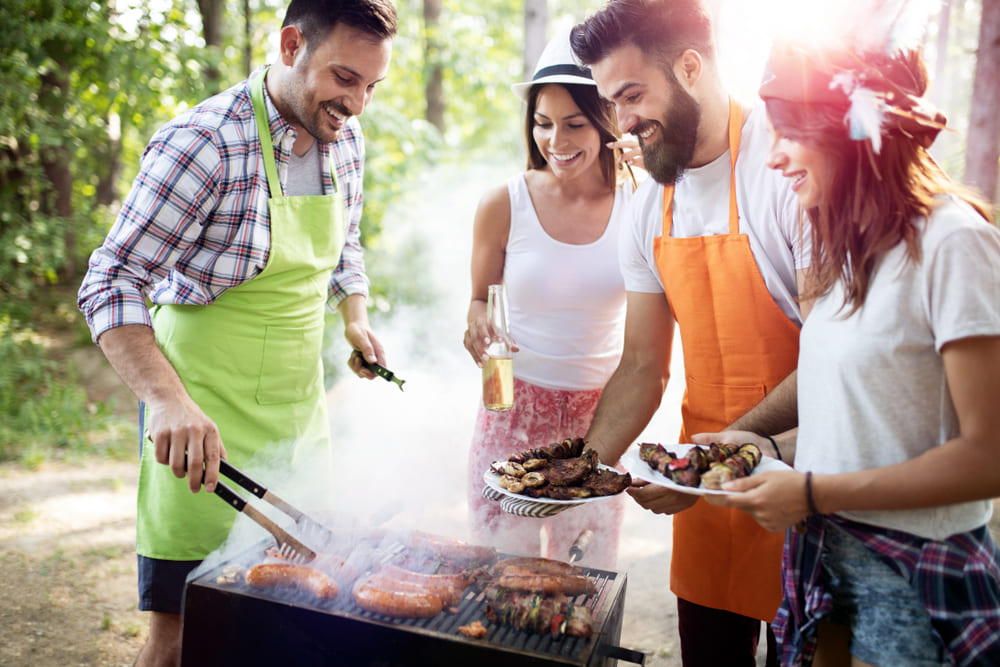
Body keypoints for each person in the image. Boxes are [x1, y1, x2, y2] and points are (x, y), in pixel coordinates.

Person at [76, 1, 397, 664]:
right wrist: (166, 401)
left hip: (298, 422)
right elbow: (111, 279)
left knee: (295, 622)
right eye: (344, 78)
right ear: (289, 45)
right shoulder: (206, 142)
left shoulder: (348, 140)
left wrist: (355, 315)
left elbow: (346, 248)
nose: (358, 103)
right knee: (183, 634)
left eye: (371, 86)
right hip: (200, 427)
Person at [703, 14, 1000, 666]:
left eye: (788, 134)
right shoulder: (843, 254)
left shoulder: (955, 244)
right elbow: (866, 421)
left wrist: (809, 492)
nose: (774, 156)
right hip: (827, 565)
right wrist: (760, 448)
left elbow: (989, 456)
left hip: (913, 576)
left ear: (851, 133)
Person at [569, 0, 812, 664]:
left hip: (807, 475)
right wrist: (580, 471)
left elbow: (833, 357)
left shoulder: (788, 171)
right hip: (702, 493)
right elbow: (644, 363)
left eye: (632, 95)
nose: (622, 123)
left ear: (691, 66)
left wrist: (710, 461)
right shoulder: (649, 205)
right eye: (610, 104)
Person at [462, 27, 636, 569]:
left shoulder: (641, 202)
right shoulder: (503, 202)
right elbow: (477, 301)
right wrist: (475, 324)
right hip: (509, 407)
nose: (555, 141)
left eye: (574, 124)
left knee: (581, 580)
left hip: (599, 417)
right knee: (499, 575)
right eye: (542, 123)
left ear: (606, 120)